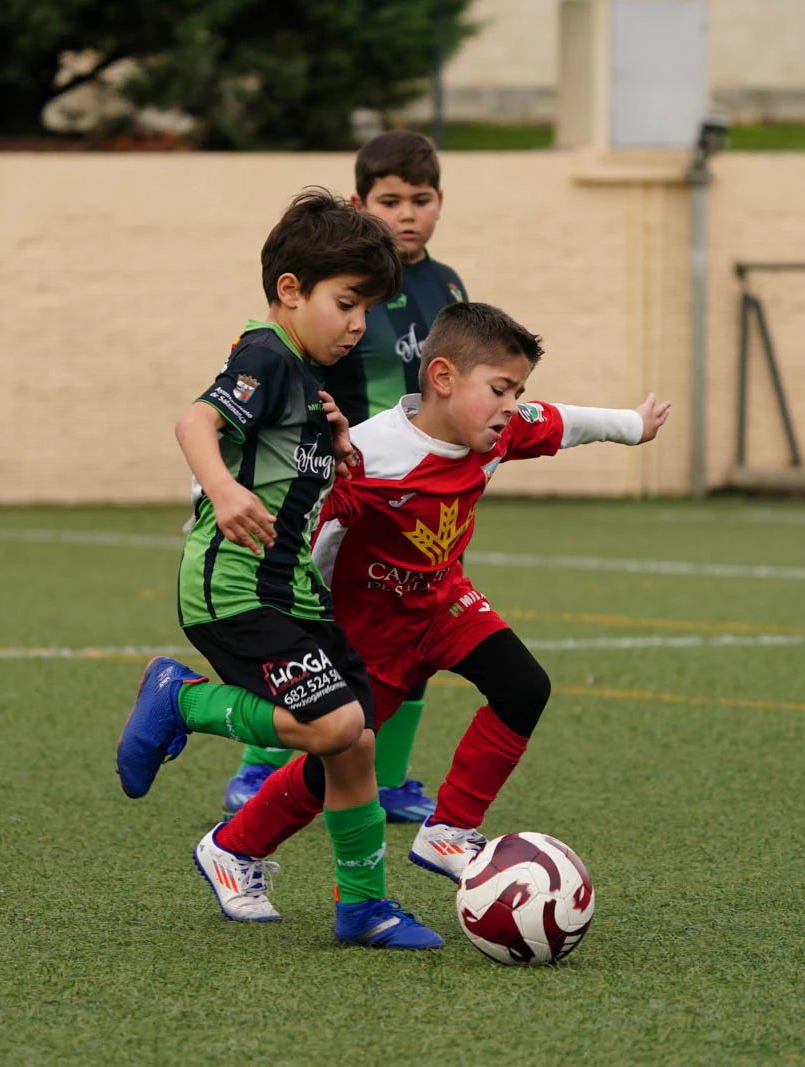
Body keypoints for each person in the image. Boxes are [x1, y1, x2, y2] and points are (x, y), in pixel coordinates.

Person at [194, 301, 670, 921]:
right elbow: (299, 516)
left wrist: (632, 424)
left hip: (444, 603)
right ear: (443, 379)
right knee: (336, 767)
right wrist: (224, 506)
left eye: (518, 389)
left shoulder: (501, 429)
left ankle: (449, 829)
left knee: (524, 686)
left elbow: (562, 421)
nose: (512, 404)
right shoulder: (366, 457)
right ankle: (232, 847)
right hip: (372, 635)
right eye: (500, 388)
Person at [115, 188, 443, 950]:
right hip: (233, 592)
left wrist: (337, 446)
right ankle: (181, 697)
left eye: (369, 309)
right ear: (291, 291)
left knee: (357, 740)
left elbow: (287, 461)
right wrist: (223, 490)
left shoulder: (306, 375)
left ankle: (364, 906)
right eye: (348, 303)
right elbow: (195, 420)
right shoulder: (265, 352)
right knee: (333, 723)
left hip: (292, 592)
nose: (360, 324)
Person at [222, 129, 467, 825]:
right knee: (312, 624)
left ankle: (386, 778)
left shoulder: (446, 284)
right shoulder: (350, 281)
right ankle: (258, 768)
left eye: (421, 199)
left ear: (441, 202)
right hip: (342, 478)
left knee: (413, 623)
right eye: (390, 200)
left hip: (415, 485)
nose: (408, 214)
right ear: (362, 203)